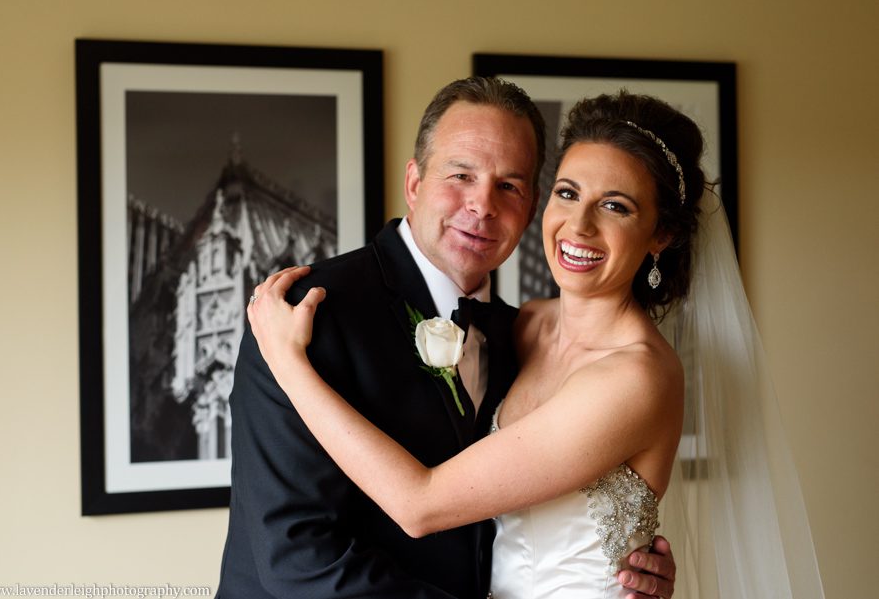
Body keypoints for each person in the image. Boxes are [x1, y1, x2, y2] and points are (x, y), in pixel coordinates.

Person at [247, 90, 825, 599]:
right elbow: (294, 556)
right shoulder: (513, 327)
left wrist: (290, 366)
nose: (580, 226)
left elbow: (424, 505)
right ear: (415, 183)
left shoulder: (634, 375)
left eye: (616, 206)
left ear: (661, 234)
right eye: (569, 193)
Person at [216, 79, 677, 599]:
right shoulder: (302, 318)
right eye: (461, 175)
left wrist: (614, 561)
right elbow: (298, 560)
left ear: (530, 208)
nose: (482, 205)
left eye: (509, 186)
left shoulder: (517, 333)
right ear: (414, 183)